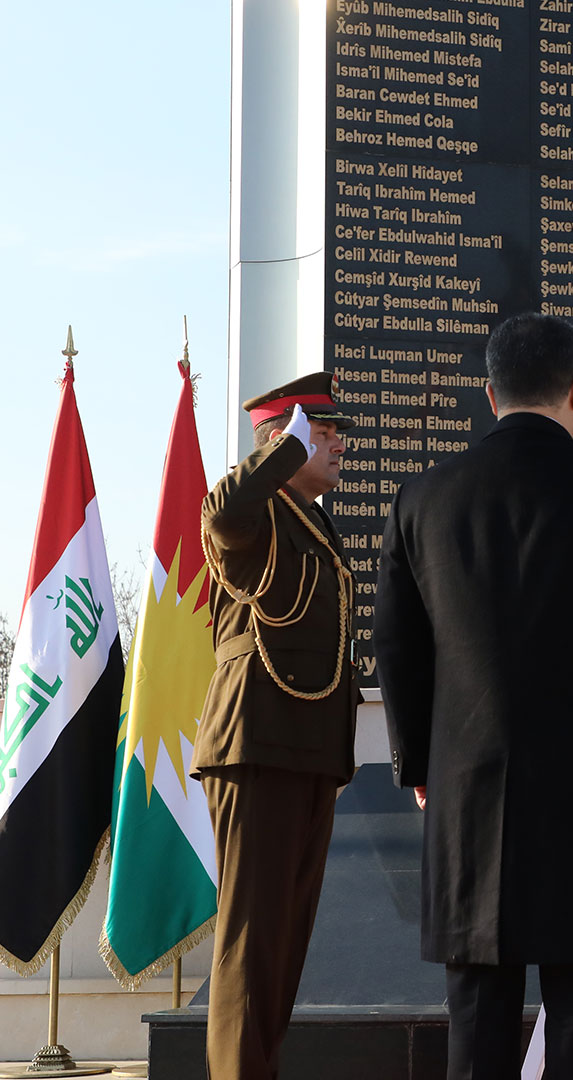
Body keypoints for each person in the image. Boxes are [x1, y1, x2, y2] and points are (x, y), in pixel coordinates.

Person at [374, 313, 573, 1080]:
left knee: (476, 1012)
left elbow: (398, 647)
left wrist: (418, 764)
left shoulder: (422, 498)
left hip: (468, 789)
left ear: (490, 395)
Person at [192, 372, 360, 1080]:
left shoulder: (312, 522)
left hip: (307, 748)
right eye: (323, 434)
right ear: (280, 442)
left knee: (282, 948)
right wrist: (282, 450)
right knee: (251, 943)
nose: (339, 446)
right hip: (256, 742)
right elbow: (223, 510)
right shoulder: (255, 513)